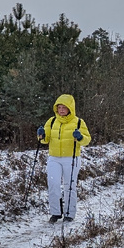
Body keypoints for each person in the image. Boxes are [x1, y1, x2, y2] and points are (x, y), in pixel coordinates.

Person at [38, 94, 91, 222]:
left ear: (70, 108)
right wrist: (41, 135)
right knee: (53, 184)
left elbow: (87, 140)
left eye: (64, 107)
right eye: (59, 107)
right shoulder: (51, 121)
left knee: (70, 186)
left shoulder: (79, 122)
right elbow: (45, 140)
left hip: (71, 158)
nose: (61, 110)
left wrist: (80, 137)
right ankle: (55, 213)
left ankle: (69, 213)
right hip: (54, 157)